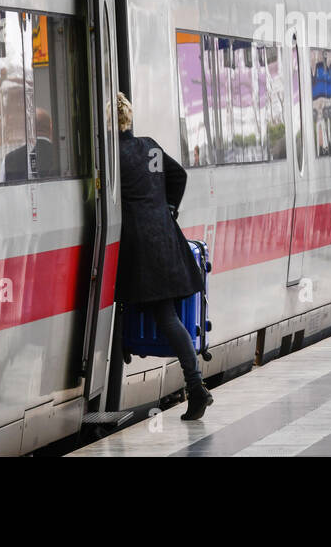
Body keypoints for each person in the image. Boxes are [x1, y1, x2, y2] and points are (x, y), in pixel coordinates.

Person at [114, 93, 211, 419]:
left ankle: (196, 388)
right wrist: (167, 208)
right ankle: (195, 387)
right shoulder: (149, 146)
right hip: (163, 238)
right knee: (164, 314)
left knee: (159, 315)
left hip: (138, 247)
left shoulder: (113, 155)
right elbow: (178, 175)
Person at [3, 108, 55, 180]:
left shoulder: (9, 159)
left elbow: (1, 189)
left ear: (29, 129)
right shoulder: (62, 156)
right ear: (51, 127)